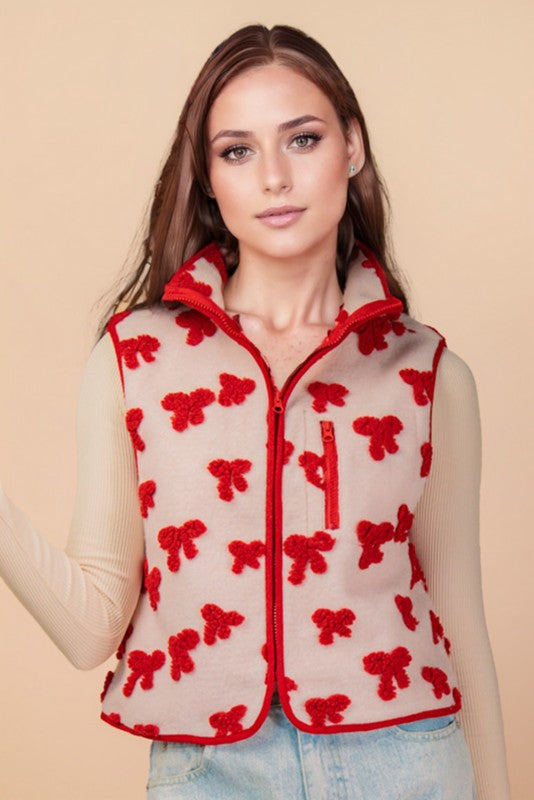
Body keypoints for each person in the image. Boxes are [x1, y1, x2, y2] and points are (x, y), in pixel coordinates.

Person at [0, 23, 510, 800]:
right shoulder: (136, 360)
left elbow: (460, 625)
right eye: (237, 151)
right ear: (208, 178)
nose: (274, 177)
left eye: (302, 139)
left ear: (352, 146)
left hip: (405, 762)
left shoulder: (429, 374)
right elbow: (92, 628)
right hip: (211, 773)